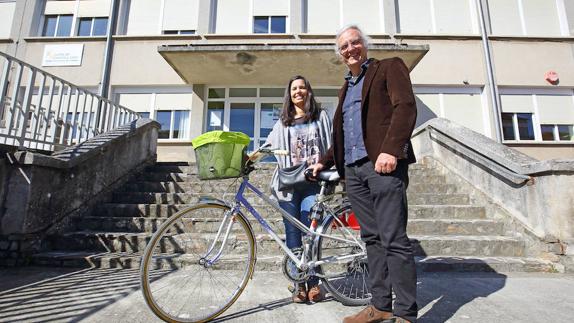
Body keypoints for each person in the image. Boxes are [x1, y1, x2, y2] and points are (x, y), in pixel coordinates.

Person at [309, 25, 418, 323]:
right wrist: (325, 161)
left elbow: (406, 107)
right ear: (340, 54)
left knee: (393, 238)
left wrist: (391, 149)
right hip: (353, 173)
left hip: (382, 166)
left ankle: (406, 314)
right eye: (344, 46)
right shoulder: (347, 87)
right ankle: (381, 306)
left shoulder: (388, 68)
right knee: (371, 239)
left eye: (355, 42)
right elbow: (345, 132)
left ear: (365, 45)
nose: (350, 49)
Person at [264, 75, 333, 303]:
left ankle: (313, 283)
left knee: (310, 235)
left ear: (308, 91)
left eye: (302, 87)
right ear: (289, 93)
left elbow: (332, 143)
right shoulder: (282, 121)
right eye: (294, 88)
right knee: (292, 235)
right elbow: (268, 144)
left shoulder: (321, 116)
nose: (298, 91)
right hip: (288, 186)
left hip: (313, 184)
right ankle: (298, 285)